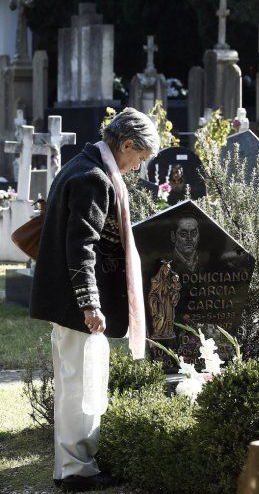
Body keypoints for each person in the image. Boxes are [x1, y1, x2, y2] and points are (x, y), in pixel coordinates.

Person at [30, 108, 159, 492]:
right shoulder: (93, 177)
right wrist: (90, 304)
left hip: (69, 302)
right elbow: (80, 246)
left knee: (76, 383)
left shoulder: (81, 165)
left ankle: (72, 465)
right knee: (80, 388)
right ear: (125, 144)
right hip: (77, 306)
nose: (137, 168)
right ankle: (76, 471)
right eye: (140, 158)